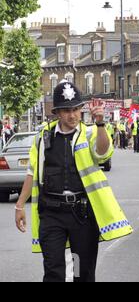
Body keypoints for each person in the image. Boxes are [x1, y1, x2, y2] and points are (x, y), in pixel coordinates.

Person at [14, 82, 132, 282]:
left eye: (76, 109)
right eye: (67, 110)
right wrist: (19, 206)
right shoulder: (43, 138)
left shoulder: (90, 132)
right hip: (51, 214)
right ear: (57, 113)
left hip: (82, 216)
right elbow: (32, 173)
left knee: (81, 272)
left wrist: (101, 123)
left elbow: (102, 153)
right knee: (53, 271)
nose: (72, 115)